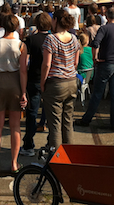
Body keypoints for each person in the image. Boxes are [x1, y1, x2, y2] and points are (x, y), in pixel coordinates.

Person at [75, 7, 114, 129]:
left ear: (107, 17)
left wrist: (95, 57)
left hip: (105, 63)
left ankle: (87, 119)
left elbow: (96, 42)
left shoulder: (104, 29)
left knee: (97, 93)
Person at [0, 14, 27, 173]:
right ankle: (14, 163)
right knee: (15, 126)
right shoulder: (21, 45)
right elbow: (23, 71)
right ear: (16, 27)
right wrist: (23, 93)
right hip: (15, 81)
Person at [41, 9, 80, 148]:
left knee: (55, 124)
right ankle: (70, 155)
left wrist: (42, 83)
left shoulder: (51, 39)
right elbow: (76, 62)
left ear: (56, 20)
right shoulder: (74, 38)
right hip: (71, 81)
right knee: (68, 122)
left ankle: (56, 158)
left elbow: (46, 64)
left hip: (56, 83)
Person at [20, 12, 51, 158]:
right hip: (50, 79)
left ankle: (28, 144)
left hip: (34, 79)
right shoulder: (53, 39)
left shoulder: (31, 40)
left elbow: (25, 62)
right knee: (51, 112)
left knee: (32, 113)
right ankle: (51, 143)